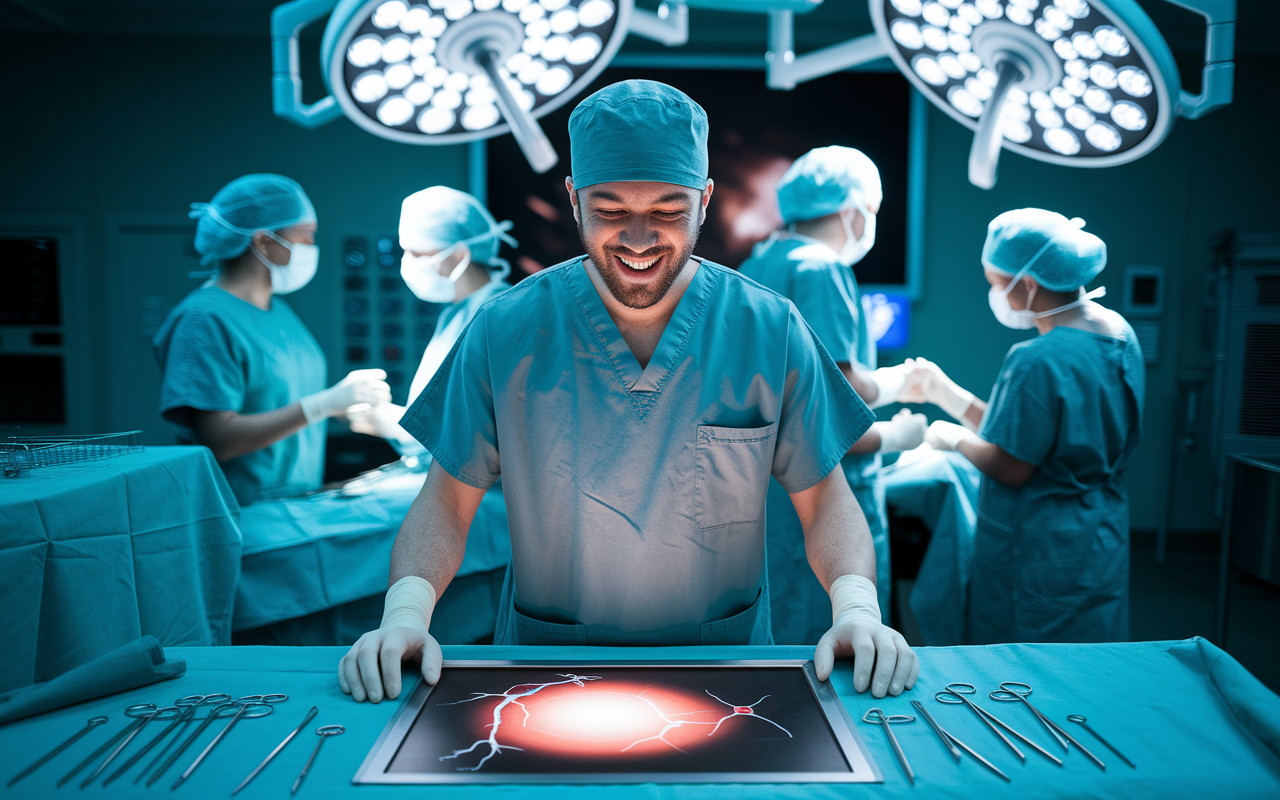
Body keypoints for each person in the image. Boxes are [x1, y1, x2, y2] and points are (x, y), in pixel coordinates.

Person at [338, 80, 919, 703]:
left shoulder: (768, 328)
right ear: (573, 198)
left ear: (704, 201)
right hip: (548, 670)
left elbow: (824, 499)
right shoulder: (505, 329)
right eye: (611, 210)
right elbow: (447, 501)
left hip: (725, 674)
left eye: (668, 210)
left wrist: (858, 608)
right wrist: (404, 616)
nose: (639, 238)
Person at [903, 209, 1143, 644]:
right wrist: (947, 394)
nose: (995, 293)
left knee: (1020, 677)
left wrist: (951, 437)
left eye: (997, 283)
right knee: (1088, 666)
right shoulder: (1117, 333)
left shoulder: (1037, 358)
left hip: (1040, 552)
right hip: (1099, 536)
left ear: (1028, 283)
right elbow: (1032, 429)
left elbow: (1011, 464)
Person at [738, 146, 927, 644]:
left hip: (768, 487)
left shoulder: (759, 262)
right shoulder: (820, 269)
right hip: (827, 488)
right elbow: (833, 395)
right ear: (853, 209)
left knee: (779, 633)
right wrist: (896, 413)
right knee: (835, 636)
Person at [154, 174, 391, 506]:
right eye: (307, 238)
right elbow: (220, 439)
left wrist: (341, 405)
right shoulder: (203, 319)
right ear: (264, 241)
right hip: (238, 511)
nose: (312, 249)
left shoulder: (278, 310)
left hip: (293, 501)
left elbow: (282, 398)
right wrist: (322, 404)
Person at [348, 186, 518, 644]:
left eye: (416, 252)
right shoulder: (457, 313)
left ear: (458, 254)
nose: (405, 262)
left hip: (481, 504)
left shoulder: (496, 315)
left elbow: (491, 437)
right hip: (439, 483)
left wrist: (391, 424)